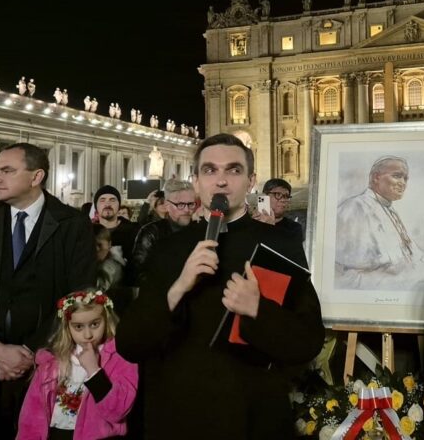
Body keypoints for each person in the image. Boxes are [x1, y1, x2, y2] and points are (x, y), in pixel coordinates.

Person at [116, 133, 324, 439]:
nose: (221, 181)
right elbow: (130, 344)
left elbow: (308, 341)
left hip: (254, 418)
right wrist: (178, 287)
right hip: (179, 418)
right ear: (196, 182)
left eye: (234, 170)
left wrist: (258, 309)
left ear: (251, 181)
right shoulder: (168, 249)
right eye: (210, 170)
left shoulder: (280, 245)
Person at [0, 142, 96, 439]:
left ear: (36, 177)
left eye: (7, 171)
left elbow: (78, 298)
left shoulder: (72, 224)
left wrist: (30, 354)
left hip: (46, 366)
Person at [17, 288, 138, 439]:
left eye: (95, 324)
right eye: (78, 327)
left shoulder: (120, 358)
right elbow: (31, 417)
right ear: (67, 326)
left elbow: (117, 412)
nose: (88, 335)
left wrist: (94, 371)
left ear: (106, 319)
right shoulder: (52, 362)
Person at [335, 155, 424, 290]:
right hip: (368, 286)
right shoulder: (354, 207)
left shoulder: (389, 210)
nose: (403, 183)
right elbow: (354, 266)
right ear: (376, 177)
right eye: (397, 176)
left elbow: (412, 259)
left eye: (405, 178)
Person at [129, 180, 197, 284]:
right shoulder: (151, 233)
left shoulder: (200, 231)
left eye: (191, 204)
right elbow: (138, 271)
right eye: (180, 204)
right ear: (167, 205)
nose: (187, 210)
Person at [94, 185, 139, 264]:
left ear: (119, 205)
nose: (107, 204)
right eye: (102, 200)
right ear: (96, 206)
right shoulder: (88, 233)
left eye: (112, 200)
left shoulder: (135, 232)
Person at [251, 178, 304, 244]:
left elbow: (288, 250)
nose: (283, 200)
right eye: (278, 195)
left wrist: (270, 229)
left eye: (286, 196)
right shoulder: (250, 225)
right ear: (265, 196)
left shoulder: (294, 228)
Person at [94, 224, 125, 292]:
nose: (96, 249)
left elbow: (97, 290)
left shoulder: (110, 266)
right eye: (92, 244)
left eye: (99, 245)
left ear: (109, 244)